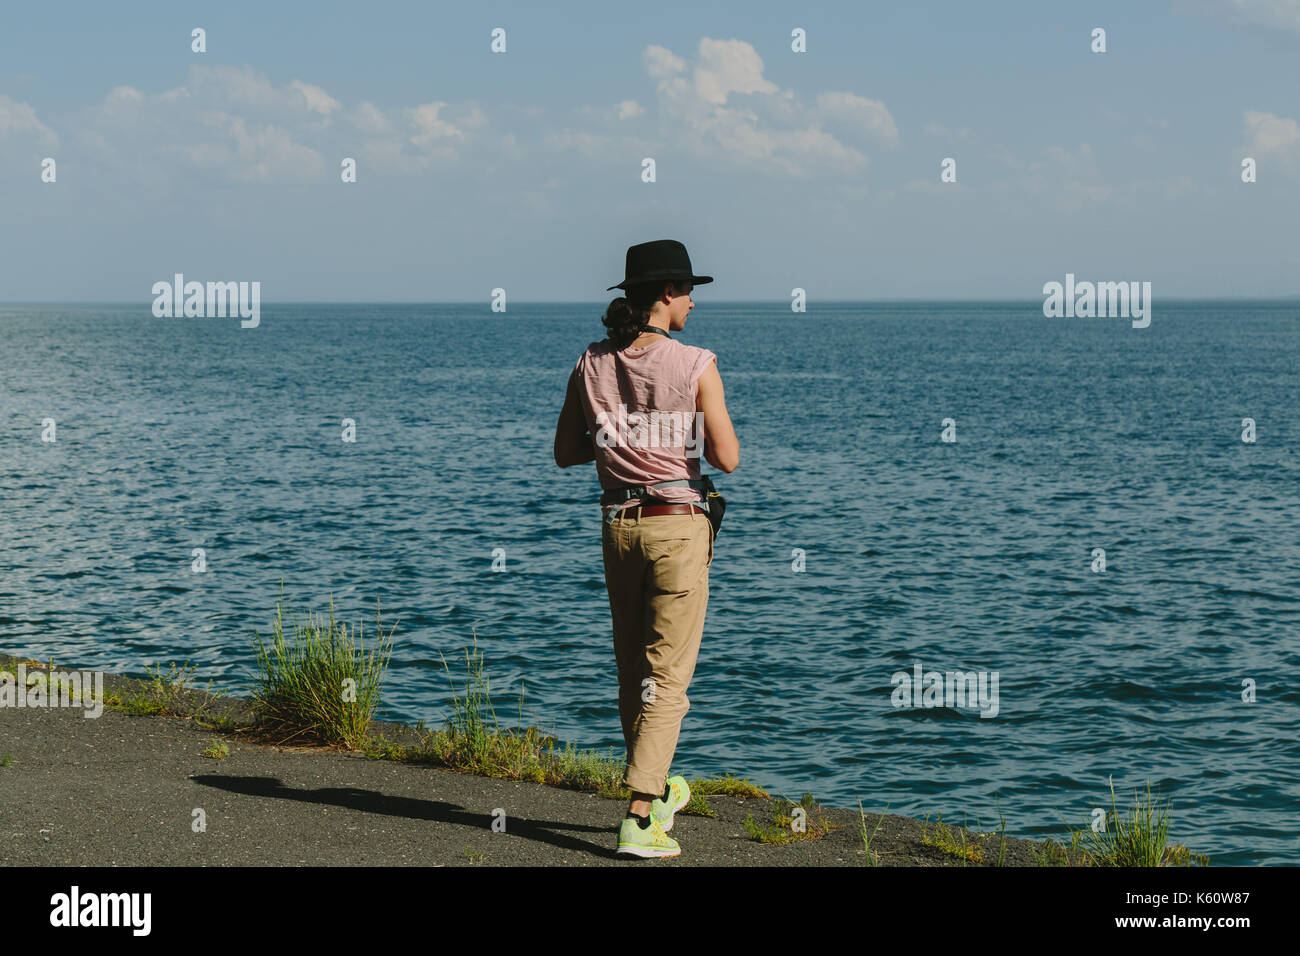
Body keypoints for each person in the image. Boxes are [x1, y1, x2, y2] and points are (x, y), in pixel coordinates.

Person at [553, 239, 739, 858]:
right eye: (689, 290)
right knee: (669, 678)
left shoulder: (591, 361)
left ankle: (656, 794)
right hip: (677, 525)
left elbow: (568, 451)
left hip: (619, 526)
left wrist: (622, 438)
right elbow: (727, 458)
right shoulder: (694, 363)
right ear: (666, 293)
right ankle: (637, 817)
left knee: (635, 672)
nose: (692, 302)